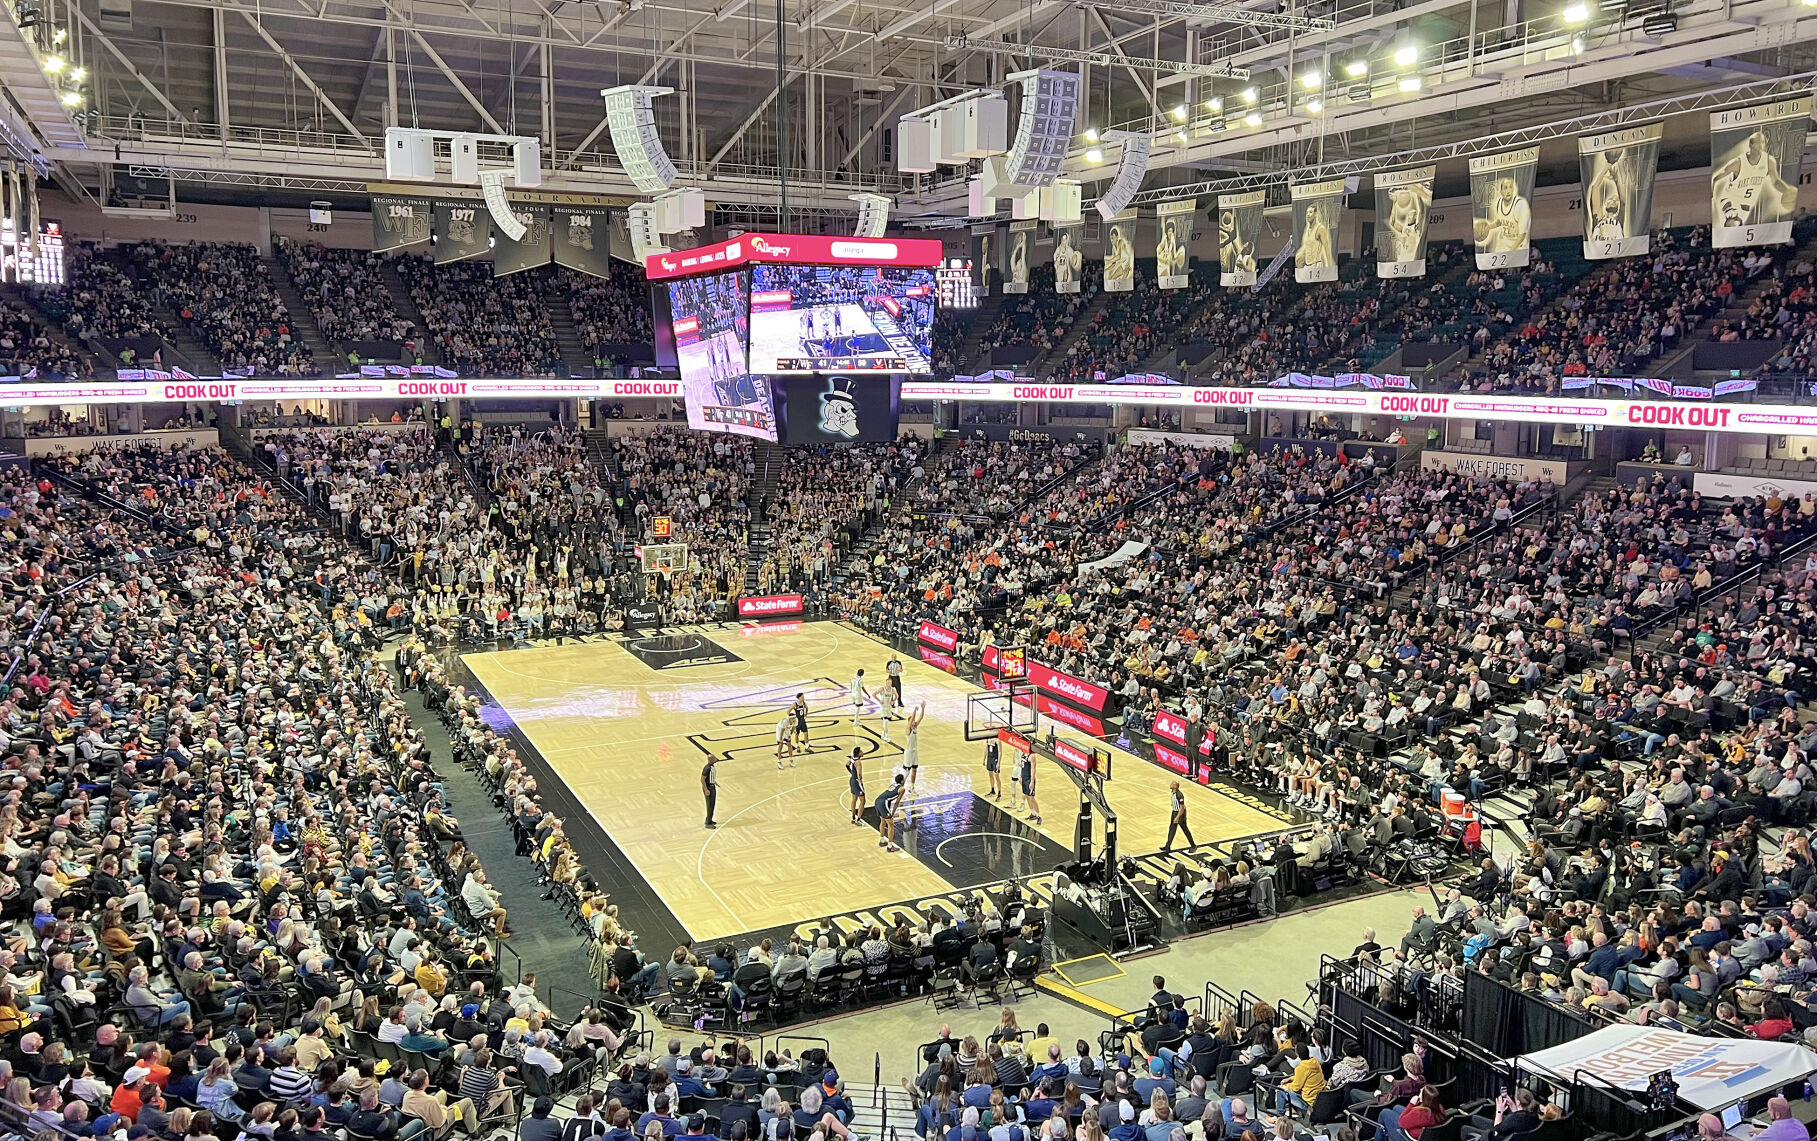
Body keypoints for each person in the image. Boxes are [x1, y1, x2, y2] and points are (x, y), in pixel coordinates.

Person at [877, 774, 906, 854]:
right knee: (891, 824)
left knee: (883, 821)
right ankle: (890, 846)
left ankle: (882, 841)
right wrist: (892, 813)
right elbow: (897, 802)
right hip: (883, 803)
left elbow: (888, 797)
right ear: (902, 781)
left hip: (878, 801)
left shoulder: (892, 785)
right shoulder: (902, 789)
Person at [1163, 782, 1195, 853]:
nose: (1170, 784)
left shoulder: (1179, 795)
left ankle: (1193, 845)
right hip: (1174, 812)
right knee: (1171, 830)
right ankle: (1167, 846)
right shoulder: (1173, 792)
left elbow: (1182, 807)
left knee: (1185, 829)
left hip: (1180, 813)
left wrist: (1177, 817)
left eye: (1172, 784)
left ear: (1175, 786)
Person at [902, 704, 925, 795]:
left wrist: (923, 709)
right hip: (908, 752)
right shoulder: (908, 730)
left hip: (915, 751)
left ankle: (912, 787)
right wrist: (914, 710)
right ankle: (900, 789)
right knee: (906, 772)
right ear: (909, 723)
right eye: (912, 722)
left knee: (914, 769)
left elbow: (921, 717)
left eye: (914, 722)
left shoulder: (915, 727)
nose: (914, 722)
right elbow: (912, 719)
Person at [847, 748, 866, 826]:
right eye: (861, 751)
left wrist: (852, 773)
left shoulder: (852, 758)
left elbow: (847, 765)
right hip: (857, 782)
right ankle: (858, 819)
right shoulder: (858, 762)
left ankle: (853, 817)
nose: (863, 752)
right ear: (858, 754)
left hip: (852, 780)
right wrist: (860, 781)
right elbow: (859, 774)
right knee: (863, 801)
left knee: (854, 799)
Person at [702, 757, 719, 830]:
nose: (716, 759)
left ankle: (709, 819)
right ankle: (708, 823)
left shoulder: (712, 767)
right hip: (709, 788)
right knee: (710, 805)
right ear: (711, 760)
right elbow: (702, 779)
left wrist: (715, 782)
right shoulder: (707, 768)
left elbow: (711, 777)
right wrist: (706, 789)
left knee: (712, 804)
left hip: (712, 786)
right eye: (714, 758)